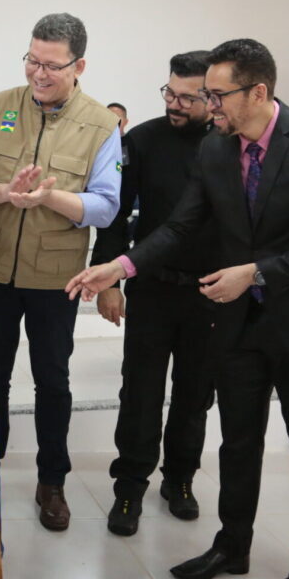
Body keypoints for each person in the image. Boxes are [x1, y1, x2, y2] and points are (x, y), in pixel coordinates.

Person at [67, 38, 289, 579]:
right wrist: (121, 266)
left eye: (217, 94)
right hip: (238, 324)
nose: (210, 105)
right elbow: (182, 226)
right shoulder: (216, 149)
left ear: (259, 91)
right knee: (238, 441)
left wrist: (254, 273)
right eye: (205, 94)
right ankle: (233, 545)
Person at [0, 13, 121, 532]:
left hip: (56, 278)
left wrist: (53, 198)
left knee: (53, 381)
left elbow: (106, 206)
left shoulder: (101, 124)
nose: (38, 74)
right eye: (32, 60)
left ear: (79, 65)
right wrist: (5, 193)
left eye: (51, 65)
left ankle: (52, 484)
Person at [91, 51, 218, 537]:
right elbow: (115, 215)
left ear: (212, 97)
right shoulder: (143, 140)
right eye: (170, 93)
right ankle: (129, 486)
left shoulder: (227, 144)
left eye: (188, 98)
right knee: (141, 391)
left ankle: (180, 480)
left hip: (212, 292)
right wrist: (110, 281)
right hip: (152, 288)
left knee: (195, 394)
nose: (176, 104)